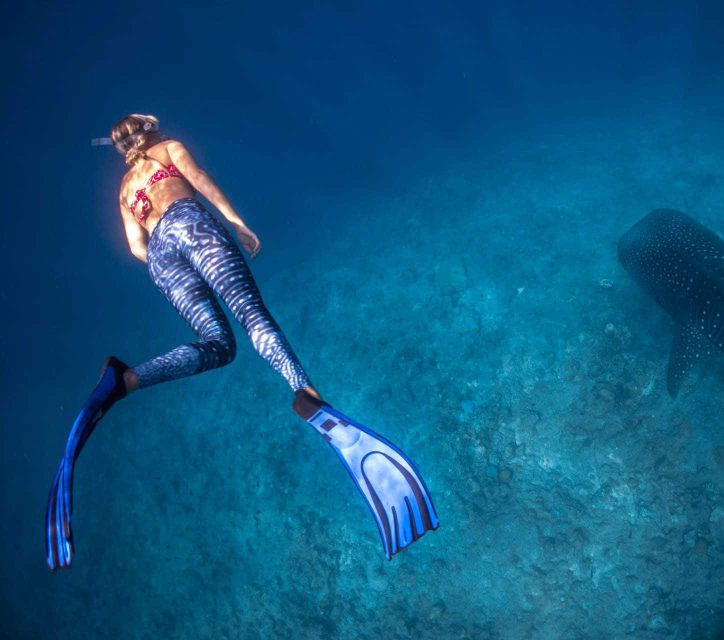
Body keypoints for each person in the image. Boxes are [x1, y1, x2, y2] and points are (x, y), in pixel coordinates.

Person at [45, 114, 438, 570]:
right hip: (189, 222)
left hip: (160, 258)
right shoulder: (167, 149)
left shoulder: (123, 191)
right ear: (147, 131)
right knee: (251, 316)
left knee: (217, 344)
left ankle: (126, 379)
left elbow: (136, 247)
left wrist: (163, 241)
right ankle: (304, 390)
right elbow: (198, 179)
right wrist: (235, 222)